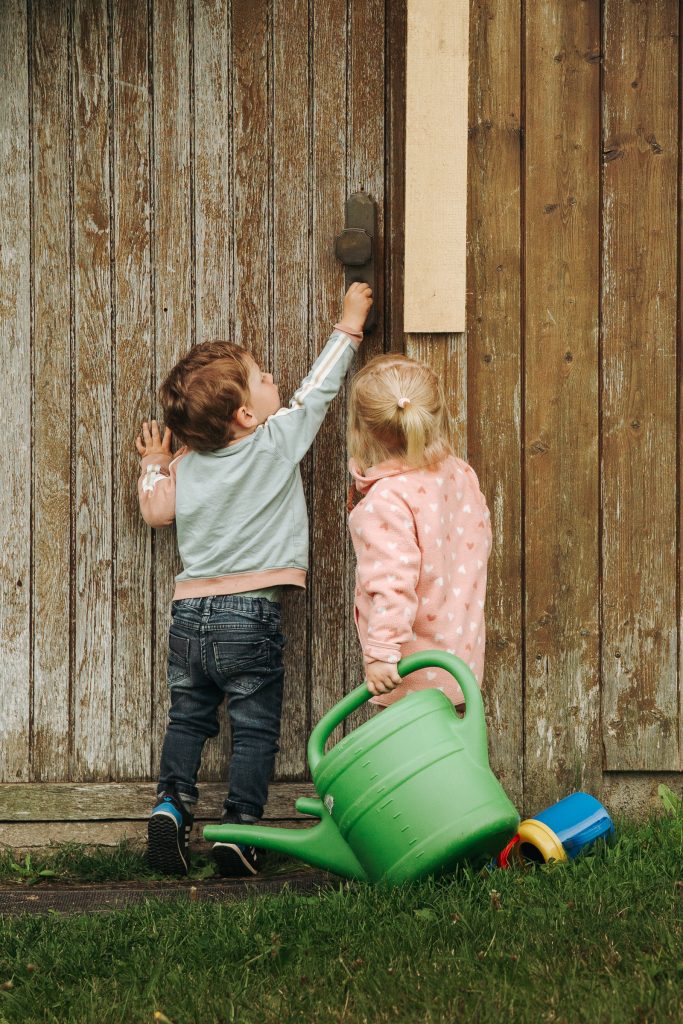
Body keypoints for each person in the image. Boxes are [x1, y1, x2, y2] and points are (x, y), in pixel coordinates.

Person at [136, 282, 372, 877]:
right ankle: (238, 830)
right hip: (251, 615)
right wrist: (348, 327)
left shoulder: (186, 466)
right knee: (254, 728)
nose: (276, 385)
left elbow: (156, 511)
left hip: (189, 617)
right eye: (264, 379)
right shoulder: (273, 442)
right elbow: (317, 392)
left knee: (187, 719)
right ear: (246, 414)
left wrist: (153, 464)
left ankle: (170, 805)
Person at [346, 353, 492, 708]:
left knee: (409, 762)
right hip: (460, 664)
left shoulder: (387, 500)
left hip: (411, 671)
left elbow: (394, 582)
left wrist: (381, 652)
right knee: (453, 753)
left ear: (361, 429)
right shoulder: (458, 474)